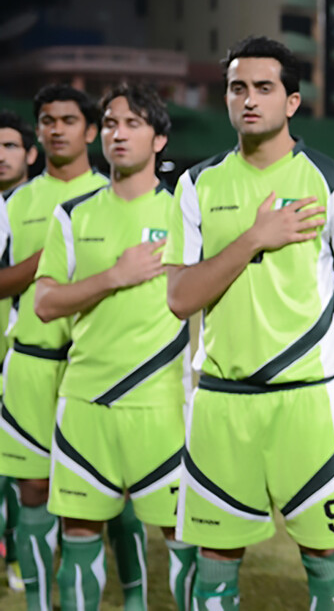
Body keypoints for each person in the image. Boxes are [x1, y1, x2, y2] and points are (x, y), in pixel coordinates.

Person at [163, 35, 334, 610]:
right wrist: (254, 238)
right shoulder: (196, 185)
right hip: (221, 403)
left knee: (326, 566)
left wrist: (329, 357)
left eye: (264, 87)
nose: (249, 99)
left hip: (308, 405)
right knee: (214, 571)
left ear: (292, 101)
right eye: (237, 88)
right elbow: (180, 298)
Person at [33, 83, 196, 611]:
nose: (118, 133)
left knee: (184, 544)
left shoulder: (184, 215)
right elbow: (46, 303)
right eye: (109, 124)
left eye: (133, 123)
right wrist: (115, 275)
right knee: (79, 540)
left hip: (161, 407)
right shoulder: (73, 215)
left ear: (160, 139)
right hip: (85, 404)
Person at [0, 85, 130, 611]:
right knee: (32, 490)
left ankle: (131, 596)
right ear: (38, 132)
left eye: (69, 120)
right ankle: (36, 599)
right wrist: (48, 256)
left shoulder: (115, 194)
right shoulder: (14, 204)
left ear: (90, 131)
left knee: (106, 496)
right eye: (48, 120)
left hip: (94, 369)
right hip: (30, 363)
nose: (57, 129)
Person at [0, 108, 38, 595]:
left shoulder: (46, 207)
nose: (0, 156)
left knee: (21, 470)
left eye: (10, 146)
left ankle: (18, 552)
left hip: (28, 360)